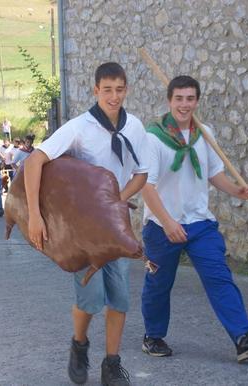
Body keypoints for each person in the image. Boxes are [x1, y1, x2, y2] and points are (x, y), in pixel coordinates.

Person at [24, 62, 149, 386]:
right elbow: (36, 159)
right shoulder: (79, 127)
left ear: (126, 90)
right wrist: (36, 215)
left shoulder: (134, 127)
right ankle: (79, 344)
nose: (113, 96)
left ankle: (112, 364)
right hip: (83, 234)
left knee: (119, 298)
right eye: (107, 90)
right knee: (90, 300)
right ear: (96, 91)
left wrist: (116, 201)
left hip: (117, 229)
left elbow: (142, 173)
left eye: (119, 89)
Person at [140, 75, 248, 363]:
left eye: (190, 98)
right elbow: (146, 186)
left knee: (219, 278)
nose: (184, 104)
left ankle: (243, 339)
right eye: (179, 98)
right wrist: (168, 222)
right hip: (161, 226)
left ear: (197, 101)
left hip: (200, 223)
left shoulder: (205, 134)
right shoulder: (153, 137)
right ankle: (153, 336)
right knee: (159, 284)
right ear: (169, 101)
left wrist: (238, 191)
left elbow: (214, 174)